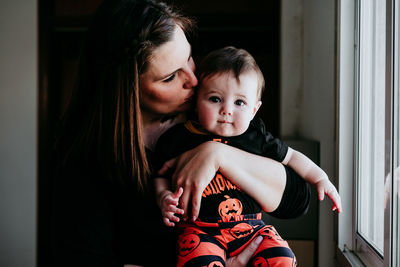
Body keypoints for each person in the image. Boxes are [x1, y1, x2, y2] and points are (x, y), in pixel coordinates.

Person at [51, 1, 311, 266]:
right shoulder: (86, 160)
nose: (194, 80)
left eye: (189, 58)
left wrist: (219, 154)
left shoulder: (214, 113)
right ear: (127, 90)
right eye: (170, 77)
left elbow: (296, 200)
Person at [154, 46, 342, 266]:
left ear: (254, 109)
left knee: (283, 257)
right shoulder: (179, 138)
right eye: (215, 99)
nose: (227, 110)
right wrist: (163, 197)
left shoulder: (255, 136)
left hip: (252, 230)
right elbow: (160, 175)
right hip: (200, 230)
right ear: (197, 101)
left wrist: (320, 178)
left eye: (239, 102)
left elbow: (291, 157)